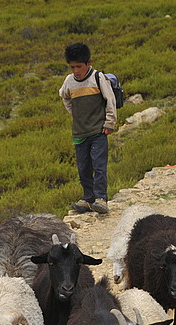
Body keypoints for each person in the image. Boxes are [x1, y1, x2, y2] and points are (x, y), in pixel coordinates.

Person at [59, 43, 117, 214]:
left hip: (98, 131)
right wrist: (75, 114)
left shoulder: (98, 78)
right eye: (72, 67)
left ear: (88, 63)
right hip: (79, 132)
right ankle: (88, 198)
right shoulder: (69, 81)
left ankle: (101, 198)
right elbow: (64, 96)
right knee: (83, 167)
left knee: (99, 165)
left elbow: (110, 100)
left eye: (79, 66)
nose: (76, 70)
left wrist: (109, 122)